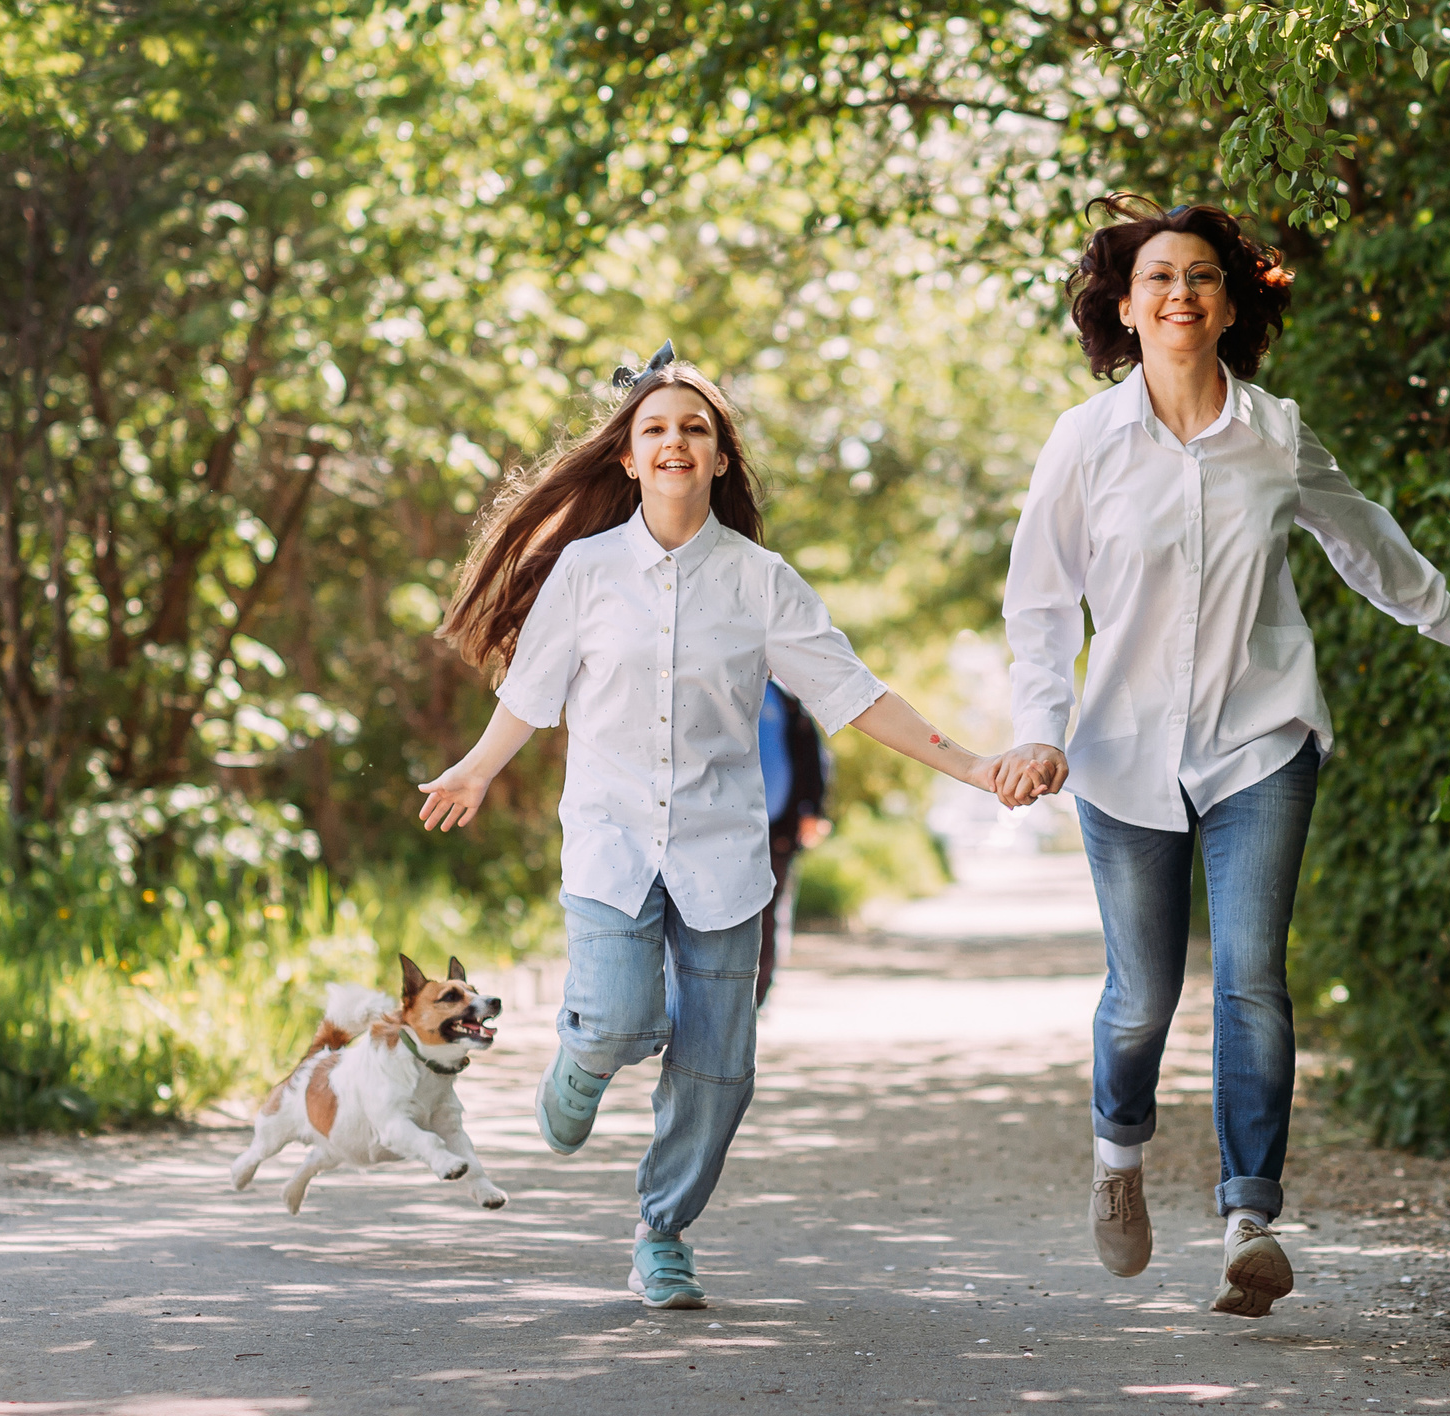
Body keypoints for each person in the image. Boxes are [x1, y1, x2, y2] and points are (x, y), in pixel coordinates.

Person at [992, 199, 1450, 1319]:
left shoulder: (1274, 433)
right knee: (1140, 999)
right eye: (1157, 279)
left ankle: (1249, 1218)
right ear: (1124, 308)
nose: (1179, 292)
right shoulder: (1081, 443)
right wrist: (1041, 726)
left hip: (1260, 737)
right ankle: (1119, 1162)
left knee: (1249, 977)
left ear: (1229, 304)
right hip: (1122, 749)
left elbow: (1362, 533)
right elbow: (1040, 603)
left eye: (1201, 276)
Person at [415, 343, 1016, 1311]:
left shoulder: (761, 581)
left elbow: (854, 697)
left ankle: (662, 1232)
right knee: (616, 1016)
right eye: (654, 427)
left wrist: (976, 765)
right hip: (609, 839)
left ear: (721, 457)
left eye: (694, 427)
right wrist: (477, 770)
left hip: (721, 852)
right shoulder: (584, 570)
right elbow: (530, 691)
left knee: (718, 1067)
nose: (674, 442)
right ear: (626, 455)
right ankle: (580, 1062)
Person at [753, 679, 832, 1007]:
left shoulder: (786, 699)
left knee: (769, 911)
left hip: (778, 826)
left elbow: (813, 757)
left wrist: (813, 811)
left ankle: (758, 996)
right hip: (716, 826)